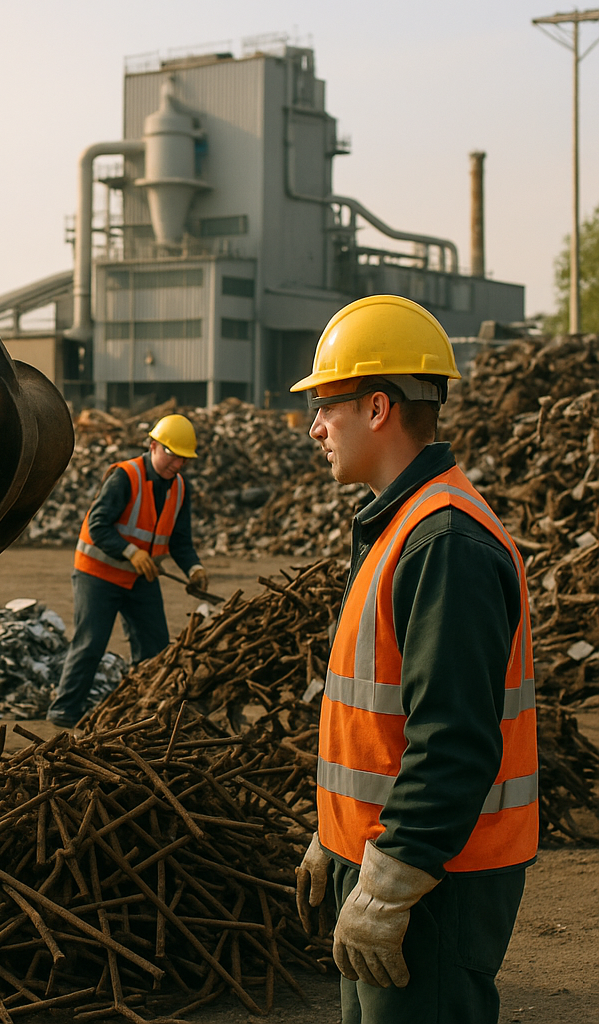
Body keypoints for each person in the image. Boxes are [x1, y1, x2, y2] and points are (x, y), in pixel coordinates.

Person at [290, 295, 538, 1024]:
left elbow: (453, 738)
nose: (314, 427)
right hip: (384, 858)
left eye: (324, 405)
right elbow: (385, 721)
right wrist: (333, 832)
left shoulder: (445, 542)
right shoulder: (400, 524)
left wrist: (392, 881)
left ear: (375, 408)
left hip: (434, 883)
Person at [46, 414, 208, 727]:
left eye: (184, 460)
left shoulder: (179, 489)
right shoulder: (125, 477)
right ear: (153, 446)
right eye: (173, 456)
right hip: (98, 573)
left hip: (140, 577)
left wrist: (194, 569)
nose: (178, 466)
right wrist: (131, 551)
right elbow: (98, 525)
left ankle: (144, 711)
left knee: (156, 648)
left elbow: (180, 540)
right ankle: (64, 710)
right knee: (91, 642)